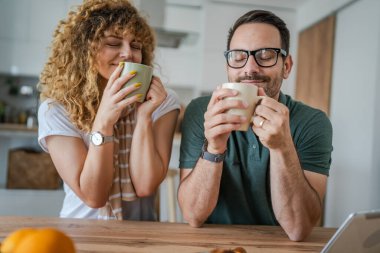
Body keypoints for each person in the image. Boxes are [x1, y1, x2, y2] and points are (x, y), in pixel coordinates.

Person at [178, 10, 333, 241]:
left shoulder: (312, 122)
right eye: (238, 57)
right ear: (228, 67)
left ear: (287, 66)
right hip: (214, 245)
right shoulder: (201, 112)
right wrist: (214, 148)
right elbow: (193, 215)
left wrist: (282, 147)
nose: (250, 68)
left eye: (266, 54)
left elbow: (298, 229)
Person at [37, 0, 180, 220]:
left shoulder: (164, 102)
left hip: (141, 237)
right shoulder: (56, 110)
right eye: (113, 43)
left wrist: (144, 117)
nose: (128, 54)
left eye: (136, 45)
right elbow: (94, 197)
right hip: (82, 232)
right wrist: (104, 122)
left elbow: (144, 185)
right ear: (84, 50)